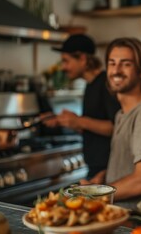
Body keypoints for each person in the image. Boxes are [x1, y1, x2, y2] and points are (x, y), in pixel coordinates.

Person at [81, 37, 141, 209]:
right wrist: (104, 178)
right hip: (118, 219)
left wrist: (95, 195)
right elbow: (128, 168)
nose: (116, 70)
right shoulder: (121, 114)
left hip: (136, 224)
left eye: (126, 64)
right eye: (112, 63)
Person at [42, 34, 121, 179]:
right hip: (95, 166)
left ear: (83, 59)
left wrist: (79, 121)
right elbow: (94, 125)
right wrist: (64, 121)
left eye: (66, 61)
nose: (64, 67)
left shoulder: (106, 83)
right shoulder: (90, 85)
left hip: (107, 170)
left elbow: (118, 127)